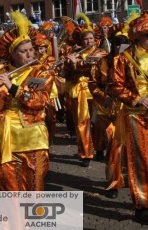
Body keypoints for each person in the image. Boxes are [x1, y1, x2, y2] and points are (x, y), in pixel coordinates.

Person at [0, 11, 53, 191]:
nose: (29, 55)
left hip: (32, 135)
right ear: (13, 54)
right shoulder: (1, 72)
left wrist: (13, 88)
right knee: (10, 189)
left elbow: (39, 101)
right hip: (5, 135)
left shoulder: (41, 73)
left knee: (34, 186)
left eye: (31, 50)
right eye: (23, 51)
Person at [108, 13, 148, 224]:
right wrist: (137, 98)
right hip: (136, 116)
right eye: (146, 35)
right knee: (140, 160)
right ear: (138, 35)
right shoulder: (124, 57)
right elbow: (114, 85)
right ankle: (142, 204)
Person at [64, 13, 107, 167]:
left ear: (95, 39)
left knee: (98, 121)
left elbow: (98, 67)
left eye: (90, 39)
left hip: (96, 91)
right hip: (80, 90)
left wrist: (78, 64)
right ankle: (85, 154)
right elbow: (67, 73)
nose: (88, 41)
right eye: (85, 39)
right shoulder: (77, 53)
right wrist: (70, 63)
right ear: (81, 41)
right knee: (82, 122)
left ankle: (100, 148)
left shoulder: (101, 53)